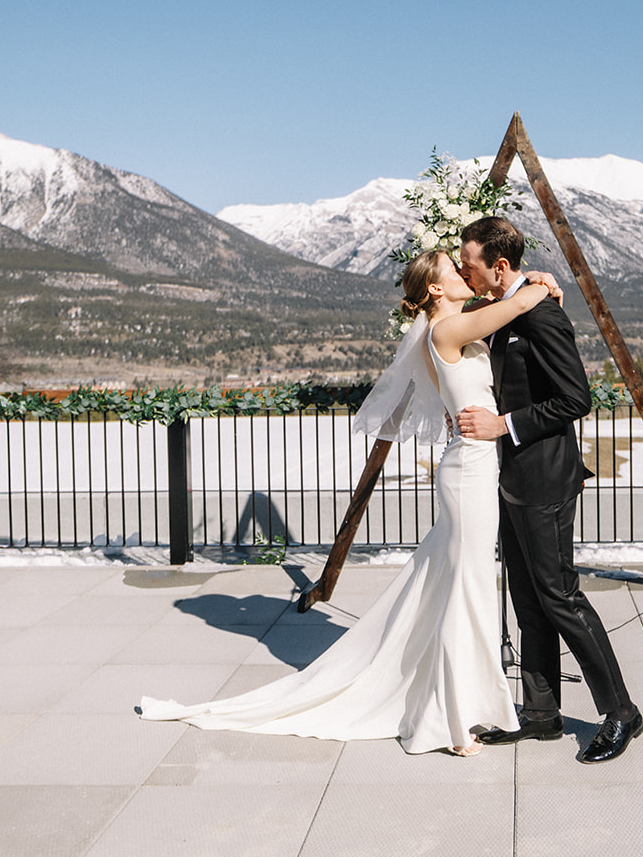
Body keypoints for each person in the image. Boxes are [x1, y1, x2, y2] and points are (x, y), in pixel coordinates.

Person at [139, 250, 551, 755]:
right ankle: (451, 719)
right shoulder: (446, 331)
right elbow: (518, 304)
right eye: (453, 267)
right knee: (467, 591)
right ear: (437, 290)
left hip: (475, 466)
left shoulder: (456, 324)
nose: (464, 272)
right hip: (468, 471)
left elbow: (504, 311)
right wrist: (539, 282)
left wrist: (525, 285)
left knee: (461, 588)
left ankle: (463, 706)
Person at [454, 216, 643, 764]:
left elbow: (575, 399)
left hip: (546, 479)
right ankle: (541, 715)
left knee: (560, 596)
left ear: (500, 267)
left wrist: (503, 424)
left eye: (471, 263)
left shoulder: (541, 313)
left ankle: (622, 713)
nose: (466, 270)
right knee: (527, 599)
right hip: (512, 480)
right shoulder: (504, 307)